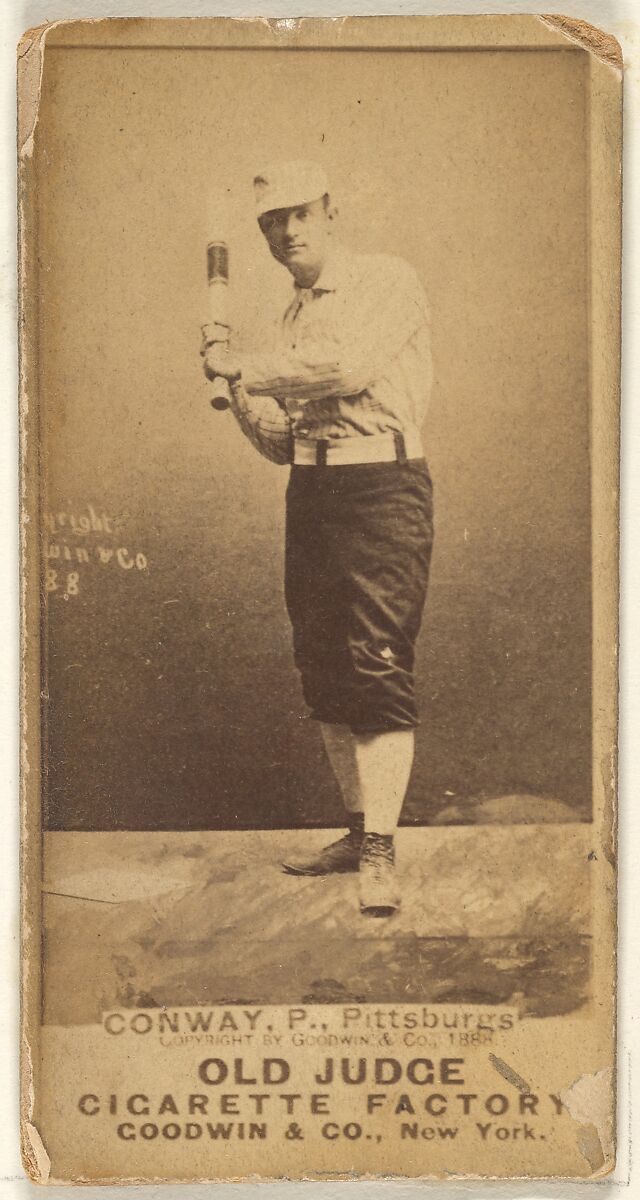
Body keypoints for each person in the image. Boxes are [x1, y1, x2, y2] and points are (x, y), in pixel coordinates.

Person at [201, 160, 434, 916]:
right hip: (313, 492)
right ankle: (359, 831)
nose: (288, 231)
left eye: (301, 214)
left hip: (382, 490)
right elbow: (282, 443)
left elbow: (346, 368)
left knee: (376, 662)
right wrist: (237, 391)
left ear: (331, 212)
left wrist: (245, 365)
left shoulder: (385, 280)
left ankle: (382, 851)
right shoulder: (290, 319)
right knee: (324, 667)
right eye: (273, 221)